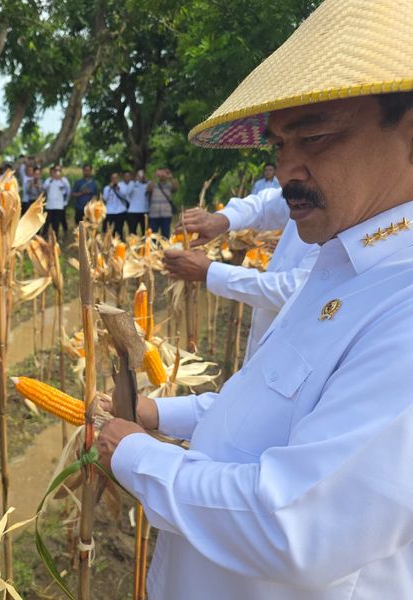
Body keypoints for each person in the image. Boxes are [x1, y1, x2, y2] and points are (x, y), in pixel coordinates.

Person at [99, 1, 413, 598]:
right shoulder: (336, 263)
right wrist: (157, 416)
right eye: (278, 145)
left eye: (315, 137)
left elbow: (294, 525)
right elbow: (261, 406)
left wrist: (137, 457)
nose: (285, 170)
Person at [163, 187, 319, 359]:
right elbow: (267, 205)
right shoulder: (308, 189)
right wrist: (222, 219)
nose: (283, 175)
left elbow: (293, 291)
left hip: (293, 352)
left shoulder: (340, 227)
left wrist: (209, 271)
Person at [146, 167, 177, 238]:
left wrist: (171, 177)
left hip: (166, 214)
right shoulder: (153, 185)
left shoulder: (169, 185)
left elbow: (175, 188)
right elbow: (148, 189)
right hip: (154, 214)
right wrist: (155, 177)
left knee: (165, 235)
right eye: (161, 174)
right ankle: (153, 249)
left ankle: (165, 249)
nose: (162, 176)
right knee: (153, 236)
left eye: (164, 174)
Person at [42, 165, 70, 236]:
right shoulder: (49, 180)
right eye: (55, 171)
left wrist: (65, 201)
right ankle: (43, 236)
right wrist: (52, 179)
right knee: (47, 222)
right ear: (53, 172)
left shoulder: (63, 180)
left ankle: (55, 239)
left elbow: (68, 190)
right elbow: (44, 188)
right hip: (49, 206)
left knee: (56, 224)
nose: (57, 173)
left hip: (59, 206)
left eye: (58, 171)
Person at [102, 172, 128, 238]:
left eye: (116, 178)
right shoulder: (106, 188)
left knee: (119, 230)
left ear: (118, 179)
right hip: (109, 211)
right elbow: (105, 198)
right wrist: (110, 189)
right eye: (113, 178)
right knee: (108, 230)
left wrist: (118, 189)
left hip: (120, 211)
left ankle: (119, 245)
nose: (114, 179)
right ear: (111, 179)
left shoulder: (122, 186)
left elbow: (125, 196)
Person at [126, 169, 149, 236]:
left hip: (145, 211)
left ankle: (145, 245)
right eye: (139, 175)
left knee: (145, 231)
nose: (141, 177)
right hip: (133, 211)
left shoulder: (148, 184)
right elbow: (128, 194)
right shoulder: (132, 183)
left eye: (142, 175)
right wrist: (133, 203)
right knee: (132, 232)